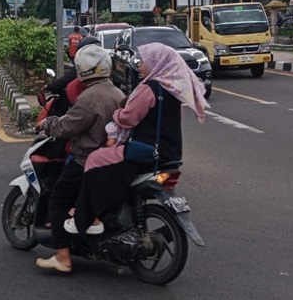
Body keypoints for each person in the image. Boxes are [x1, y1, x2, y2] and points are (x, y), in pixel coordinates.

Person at [66, 42, 209, 237]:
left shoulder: (149, 88)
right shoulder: (171, 88)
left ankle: (89, 217)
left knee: (95, 159)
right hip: (170, 153)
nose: (140, 63)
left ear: (155, 63)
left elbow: (128, 118)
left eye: (144, 60)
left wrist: (116, 114)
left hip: (145, 150)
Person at [34, 44, 124, 274]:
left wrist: (49, 124)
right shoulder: (117, 93)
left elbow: (68, 125)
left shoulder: (89, 97)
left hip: (85, 160)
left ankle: (62, 256)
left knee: (59, 198)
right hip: (113, 160)